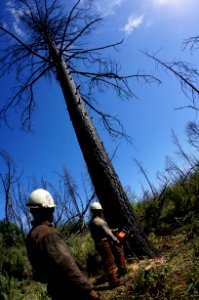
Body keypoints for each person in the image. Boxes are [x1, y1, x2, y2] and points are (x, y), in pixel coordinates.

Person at [25, 188, 101, 300]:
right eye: (52, 209)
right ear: (45, 210)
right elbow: (67, 266)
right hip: (71, 291)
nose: (53, 213)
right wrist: (89, 290)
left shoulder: (32, 236)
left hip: (56, 291)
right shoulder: (48, 233)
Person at [89, 202, 127, 288]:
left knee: (106, 262)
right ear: (97, 211)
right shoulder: (100, 221)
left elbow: (103, 231)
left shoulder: (91, 222)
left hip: (98, 244)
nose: (101, 212)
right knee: (109, 262)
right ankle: (114, 282)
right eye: (100, 211)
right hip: (104, 243)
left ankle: (114, 277)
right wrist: (116, 240)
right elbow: (108, 233)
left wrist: (113, 230)